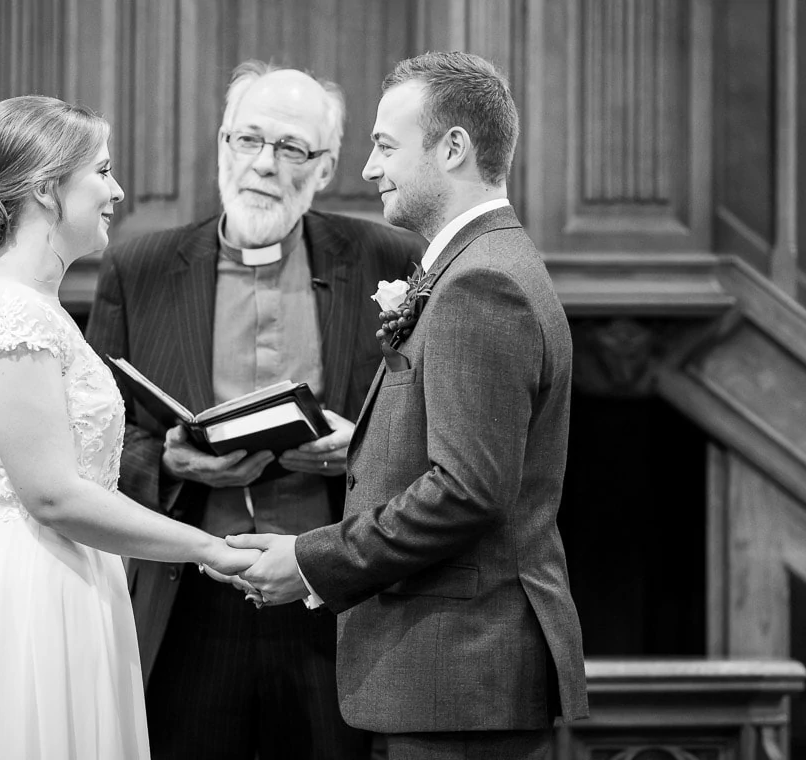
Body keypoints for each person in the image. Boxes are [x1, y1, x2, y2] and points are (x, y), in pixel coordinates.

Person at [227, 52, 590, 759]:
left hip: (461, 675)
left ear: (452, 147)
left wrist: (311, 559)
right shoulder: (480, 262)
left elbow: (467, 491)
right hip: (451, 677)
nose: (368, 168)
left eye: (386, 145)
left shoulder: (484, 283)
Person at [85, 62, 421, 760]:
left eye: (292, 148)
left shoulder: (391, 258)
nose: (263, 165)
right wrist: (170, 462)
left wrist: (363, 444)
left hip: (335, 599)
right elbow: (97, 439)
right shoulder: (139, 268)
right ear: (220, 146)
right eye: (247, 140)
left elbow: (426, 422)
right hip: (191, 606)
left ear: (326, 167)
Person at [0, 96, 259, 760]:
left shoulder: (29, 301)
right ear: (47, 188)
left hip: (69, 573)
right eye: (101, 171)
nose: (117, 191)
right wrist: (207, 547)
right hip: (31, 593)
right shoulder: (11, 310)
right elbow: (52, 494)